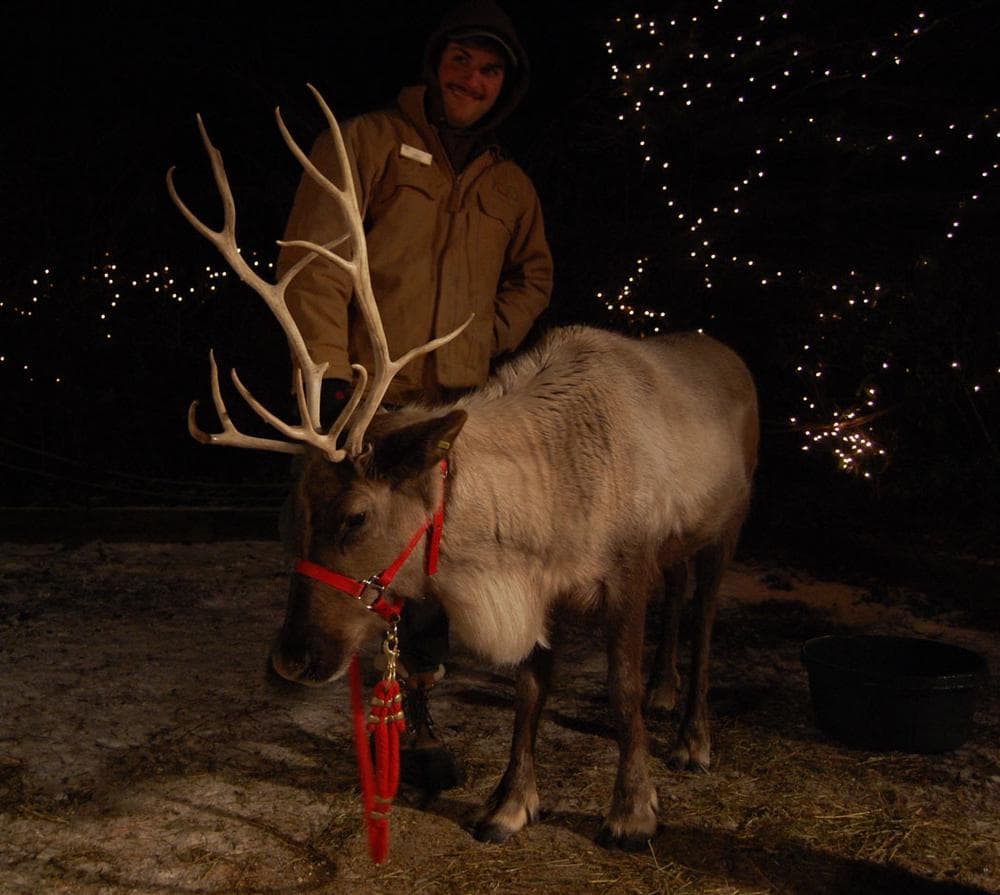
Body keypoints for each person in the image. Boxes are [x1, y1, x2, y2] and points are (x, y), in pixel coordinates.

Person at [277, 0, 554, 791]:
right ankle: (310, 651)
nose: (474, 79)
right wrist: (328, 372)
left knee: (427, 562)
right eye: (463, 60)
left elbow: (535, 275)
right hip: (364, 397)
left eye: (491, 70)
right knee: (335, 539)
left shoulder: (510, 184)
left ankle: (414, 700)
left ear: (507, 86)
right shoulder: (365, 142)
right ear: (436, 63)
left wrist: (489, 335)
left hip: (452, 403)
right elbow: (313, 257)